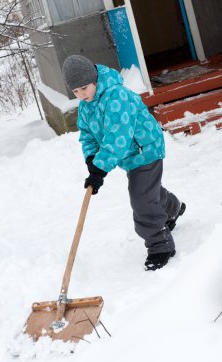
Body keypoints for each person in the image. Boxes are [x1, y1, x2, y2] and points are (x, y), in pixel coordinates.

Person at [62, 55, 185, 271]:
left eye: (84, 88)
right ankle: (173, 207)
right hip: (129, 155)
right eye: (76, 92)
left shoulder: (116, 96)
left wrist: (100, 168)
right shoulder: (86, 106)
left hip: (145, 149)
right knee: (148, 190)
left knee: (141, 198)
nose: (82, 95)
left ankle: (160, 245)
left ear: (95, 80)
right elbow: (88, 135)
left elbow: (118, 135)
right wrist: (92, 159)